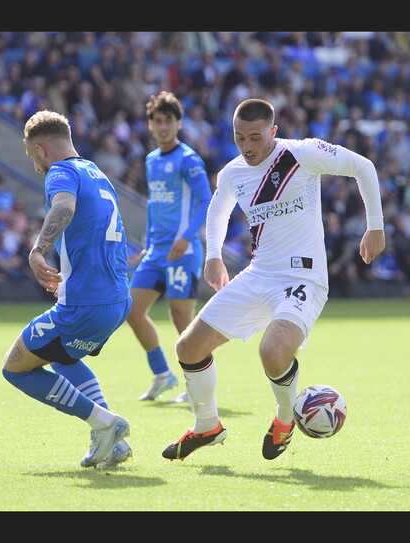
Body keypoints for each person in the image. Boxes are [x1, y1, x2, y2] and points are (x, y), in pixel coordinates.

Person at [162, 98, 385, 461]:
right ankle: (207, 426)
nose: (247, 146)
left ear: (273, 131)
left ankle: (285, 418)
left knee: (273, 352)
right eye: (239, 138)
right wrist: (213, 255)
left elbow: (363, 166)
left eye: (255, 137)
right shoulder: (233, 172)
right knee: (188, 348)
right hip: (259, 274)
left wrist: (375, 227)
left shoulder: (301, 154)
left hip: (303, 277)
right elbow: (218, 210)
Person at [1, 110, 133, 469]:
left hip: (86, 303)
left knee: (15, 368)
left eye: (32, 157)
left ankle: (105, 423)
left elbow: (64, 206)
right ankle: (112, 443)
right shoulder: (96, 173)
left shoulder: (60, 172)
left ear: (41, 150)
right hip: (117, 299)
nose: (35, 166)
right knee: (63, 356)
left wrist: (38, 250)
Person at [125, 91, 212, 402]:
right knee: (132, 310)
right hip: (156, 252)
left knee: (181, 318)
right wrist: (147, 245)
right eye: (158, 121)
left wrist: (186, 236)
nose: (163, 127)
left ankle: (198, 384)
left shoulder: (188, 160)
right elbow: (154, 205)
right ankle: (162, 374)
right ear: (150, 125)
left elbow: (206, 202)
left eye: (169, 121)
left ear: (179, 123)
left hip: (183, 252)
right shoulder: (151, 160)